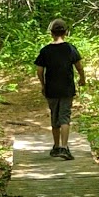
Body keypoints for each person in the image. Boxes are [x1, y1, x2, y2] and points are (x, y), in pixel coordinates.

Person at [33, 21, 85, 158]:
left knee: (54, 116)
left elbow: (39, 70)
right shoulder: (70, 49)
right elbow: (79, 66)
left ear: (51, 33)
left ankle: (56, 146)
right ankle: (64, 147)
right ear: (66, 32)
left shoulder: (45, 50)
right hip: (67, 88)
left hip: (51, 89)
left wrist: (43, 85)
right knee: (65, 117)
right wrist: (82, 78)